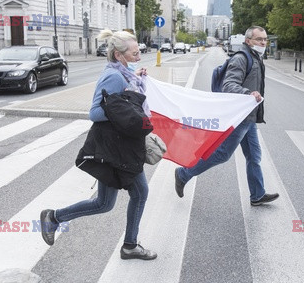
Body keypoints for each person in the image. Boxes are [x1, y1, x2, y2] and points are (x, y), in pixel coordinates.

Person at [40, 29, 157, 260]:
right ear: (118, 55)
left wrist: (136, 81)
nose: (138, 57)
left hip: (120, 147)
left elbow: (123, 100)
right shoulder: (113, 76)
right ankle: (130, 245)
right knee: (137, 194)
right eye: (134, 54)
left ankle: (54, 218)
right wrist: (128, 112)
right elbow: (95, 113)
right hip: (115, 149)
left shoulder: (123, 73)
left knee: (105, 203)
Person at [174, 26, 279, 206]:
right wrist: (248, 93)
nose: (263, 43)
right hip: (239, 117)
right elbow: (229, 85)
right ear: (248, 41)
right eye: (258, 39)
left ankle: (257, 195)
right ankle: (183, 174)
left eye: (265, 39)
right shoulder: (241, 58)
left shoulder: (256, 57)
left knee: (254, 156)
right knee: (222, 154)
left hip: (249, 116)